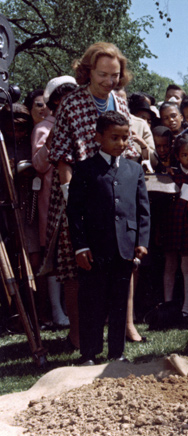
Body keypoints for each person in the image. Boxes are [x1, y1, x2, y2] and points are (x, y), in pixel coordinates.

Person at [46, 41, 139, 350]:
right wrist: (72, 196)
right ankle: (78, 332)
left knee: (120, 260)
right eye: (102, 74)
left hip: (115, 193)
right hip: (78, 192)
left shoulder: (121, 102)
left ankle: (124, 326)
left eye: (114, 75)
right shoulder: (72, 103)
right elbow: (61, 155)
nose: (108, 81)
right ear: (87, 71)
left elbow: (128, 147)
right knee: (78, 267)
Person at [66, 111, 150, 365]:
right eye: (114, 138)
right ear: (98, 136)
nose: (121, 143)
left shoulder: (134, 170)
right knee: (92, 301)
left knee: (119, 302)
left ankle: (117, 353)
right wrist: (80, 247)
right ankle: (89, 353)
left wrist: (141, 241)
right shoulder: (84, 169)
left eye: (125, 138)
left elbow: (143, 209)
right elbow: (75, 212)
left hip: (124, 248)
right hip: (95, 250)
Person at [31, 75, 78, 328]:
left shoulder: (78, 122)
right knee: (54, 254)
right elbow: (39, 164)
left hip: (75, 200)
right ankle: (57, 310)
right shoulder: (43, 128)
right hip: (51, 201)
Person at [160, 134, 188, 318]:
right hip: (172, 225)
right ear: (178, 156)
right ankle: (168, 303)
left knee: (187, 266)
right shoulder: (173, 175)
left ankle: (187, 306)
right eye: (185, 155)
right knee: (170, 264)